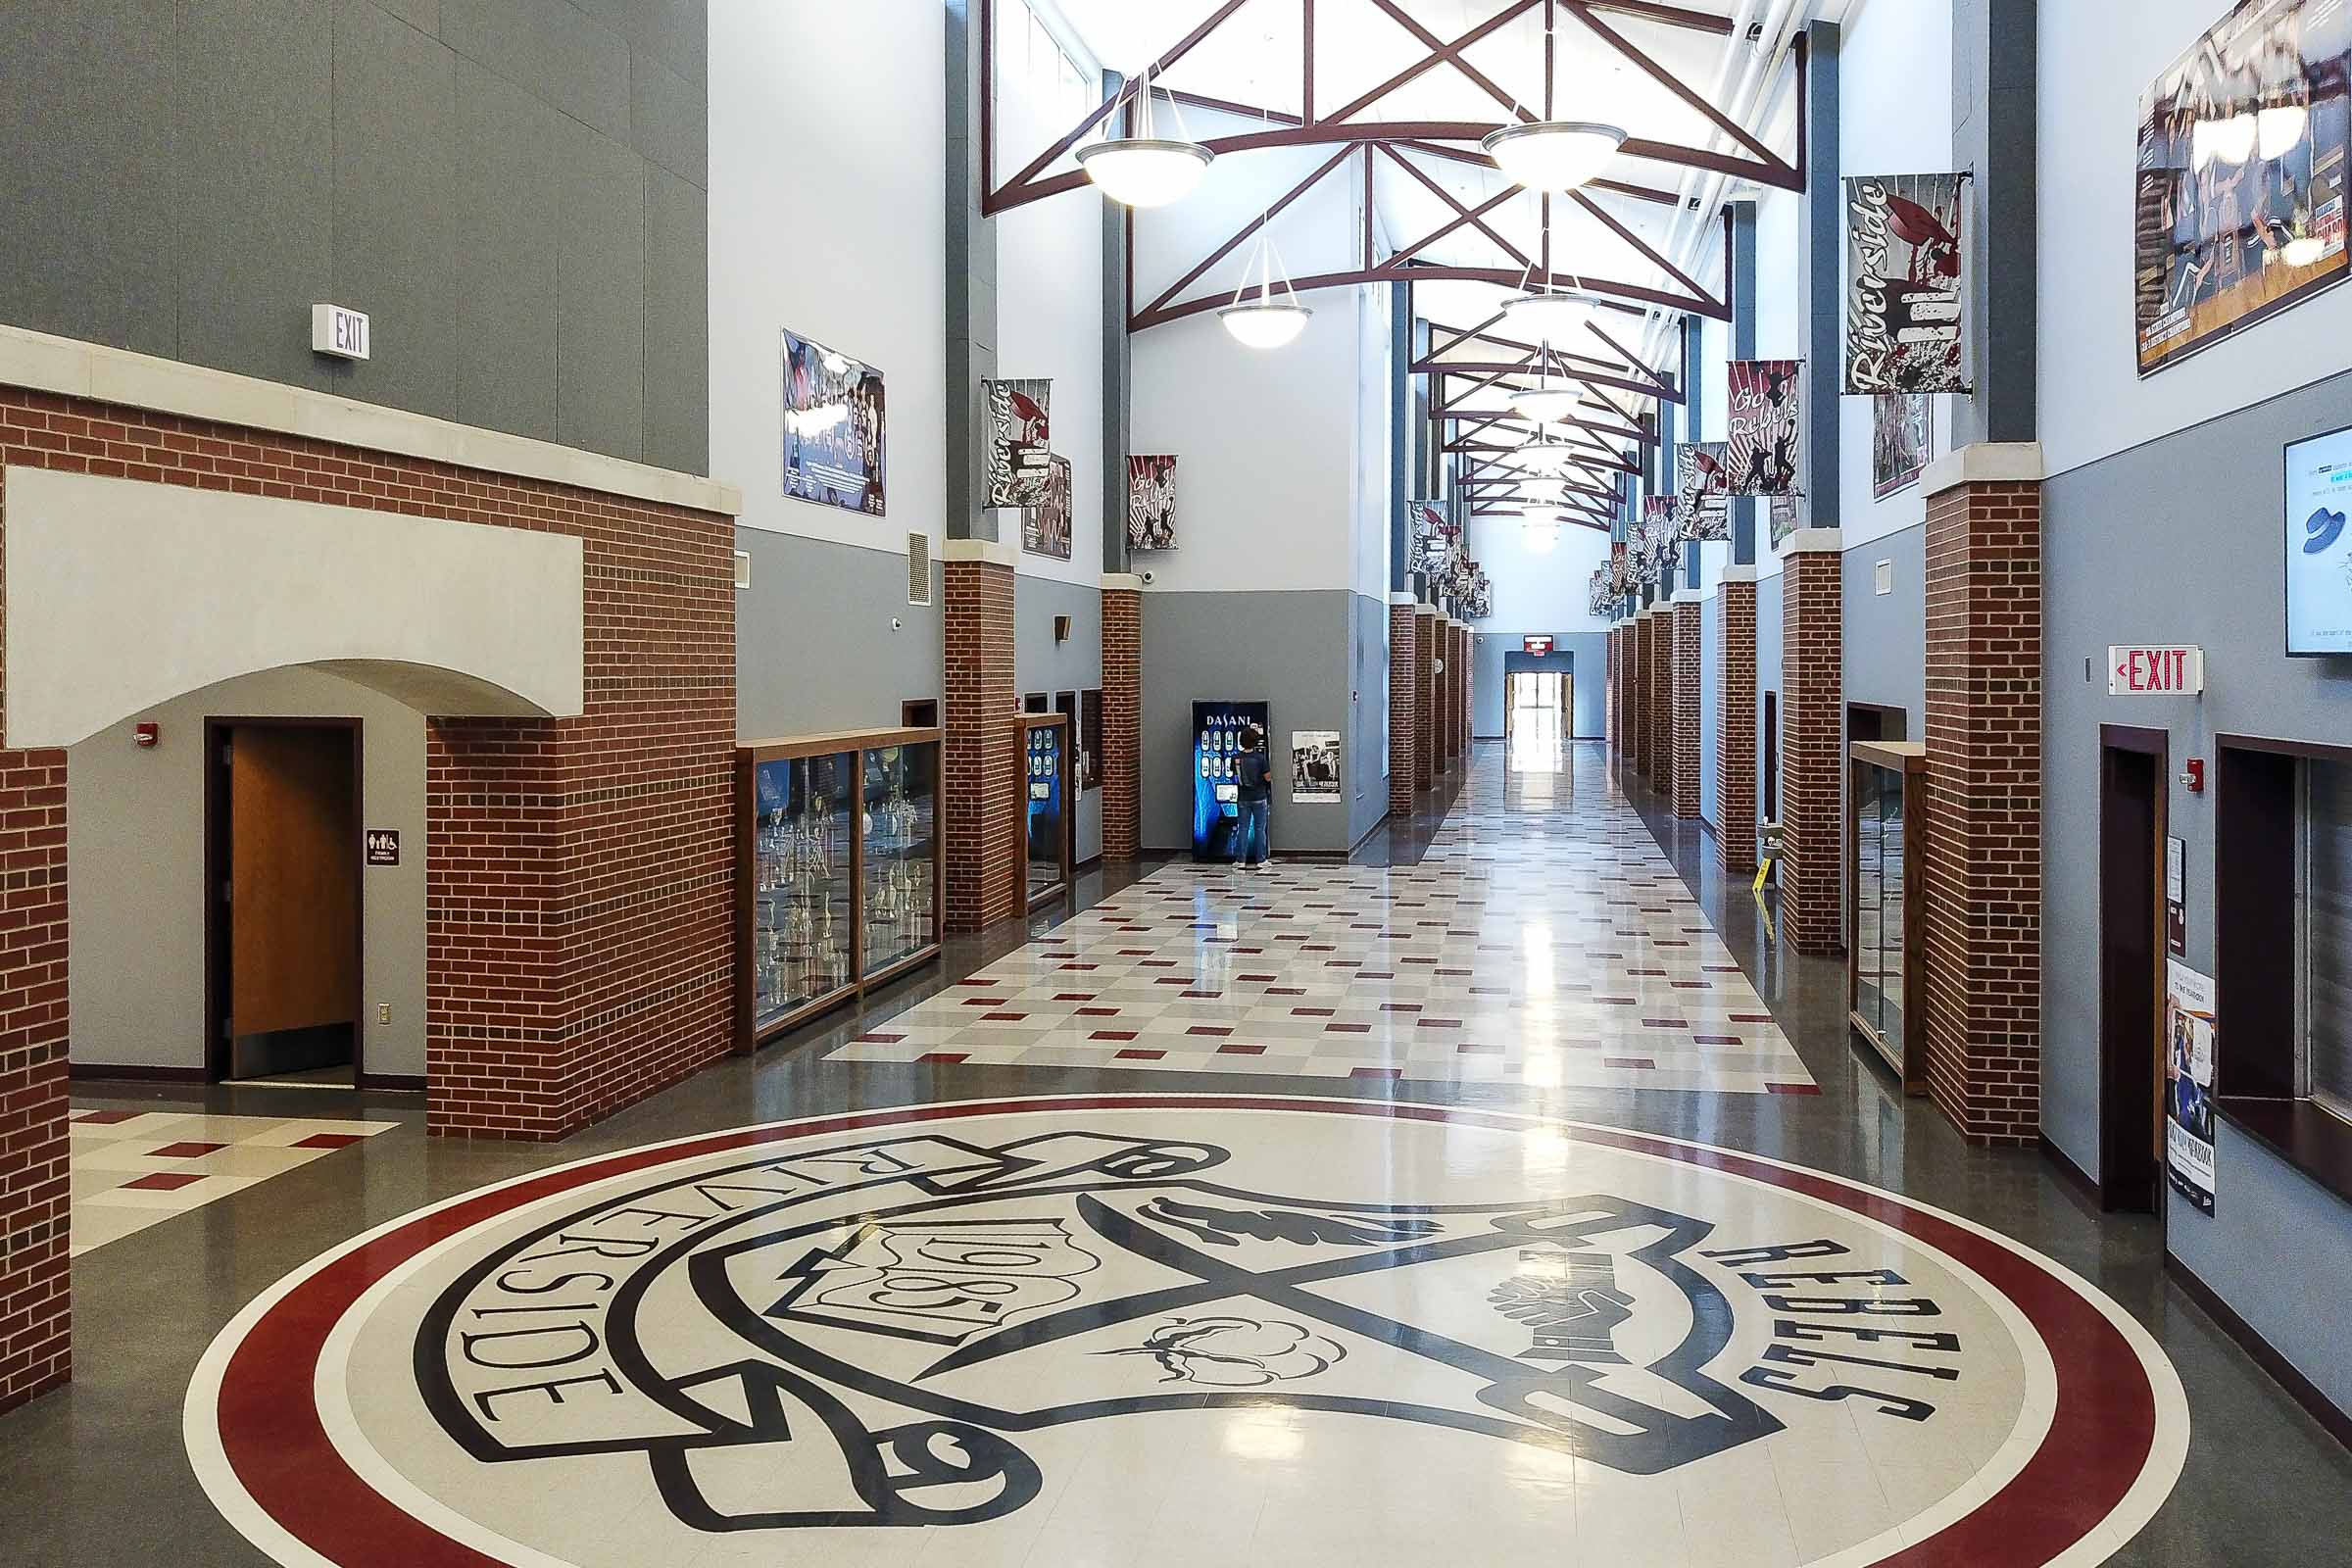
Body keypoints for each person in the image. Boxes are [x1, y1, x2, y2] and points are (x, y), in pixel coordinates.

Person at [1230, 725, 1273, 872]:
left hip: (1242, 797)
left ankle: (1240, 860)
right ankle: (1261, 860)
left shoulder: (1235, 758)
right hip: (1260, 796)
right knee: (1260, 828)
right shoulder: (1260, 758)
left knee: (1243, 828)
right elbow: (1268, 777)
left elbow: (1235, 777)